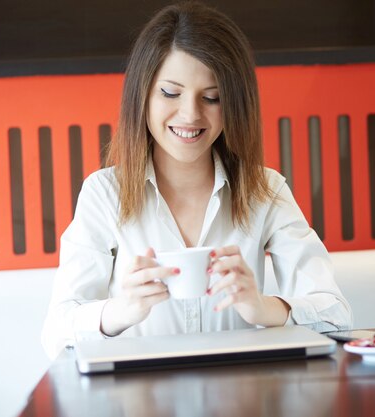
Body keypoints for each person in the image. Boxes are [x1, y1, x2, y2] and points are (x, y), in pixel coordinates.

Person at [41, 1, 352, 359]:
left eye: (212, 97)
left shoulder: (264, 190)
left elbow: (337, 316)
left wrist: (264, 309)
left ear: (235, 104)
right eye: (170, 93)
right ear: (141, 95)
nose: (190, 114)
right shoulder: (104, 194)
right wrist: (119, 312)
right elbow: (56, 334)